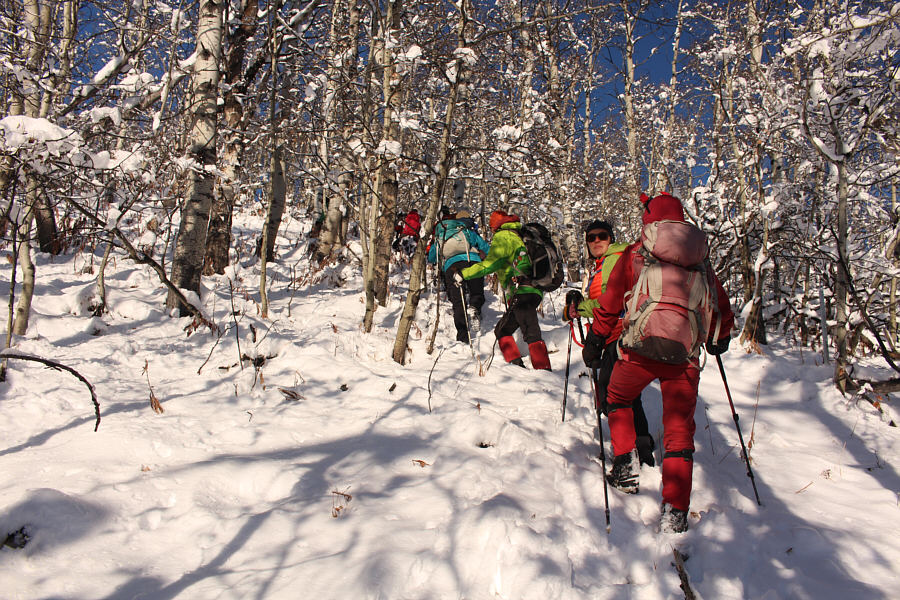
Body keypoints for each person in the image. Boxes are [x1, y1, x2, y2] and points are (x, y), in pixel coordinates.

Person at [582, 193, 734, 533]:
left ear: (649, 219)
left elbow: (609, 305)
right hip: (684, 358)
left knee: (618, 398)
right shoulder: (700, 259)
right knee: (679, 432)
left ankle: (625, 463)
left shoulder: (637, 252)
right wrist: (719, 337)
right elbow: (719, 305)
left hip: (638, 351)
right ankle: (676, 511)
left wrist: (595, 341)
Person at [563, 220, 655, 466]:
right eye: (590, 238)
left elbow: (610, 302)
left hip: (620, 334)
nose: (595, 241)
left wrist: (578, 309)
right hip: (619, 334)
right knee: (628, 396)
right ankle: (643, 452)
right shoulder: (602, 264)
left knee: (611, 395)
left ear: (611, 238)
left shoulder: (615, 259)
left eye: (601, 236)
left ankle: (628, 458)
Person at [458, 209, 551, 370]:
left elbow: (491, 264)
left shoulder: (504, 237)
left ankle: (544, 371)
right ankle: (517, 367)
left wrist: (464, 274)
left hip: (523, 291)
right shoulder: (517, 234)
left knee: (531, 332)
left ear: (495, 226)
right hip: (531, 291)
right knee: (502, 330)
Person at [427, 209, 490, 344]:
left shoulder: (440, 236)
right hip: (472, 260)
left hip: (451, 266)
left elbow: (432, 257)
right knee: (476, 291)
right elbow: (485, 247)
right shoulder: (466, 231)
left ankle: (462, 335)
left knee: (458, 300)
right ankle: (475, 307)